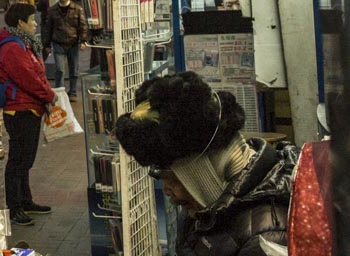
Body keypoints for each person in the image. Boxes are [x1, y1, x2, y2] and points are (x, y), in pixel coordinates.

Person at [115, 70, 298, 256]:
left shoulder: (267, 237)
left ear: (210, 164)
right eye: (160, 176)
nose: (167, 189)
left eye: (173, 177)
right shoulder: (204, 209)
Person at [0, 2, 57, 227]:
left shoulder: (24, 43)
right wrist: (49, 95)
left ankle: (25, 200)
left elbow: (36, 73)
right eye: (32, 20)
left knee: (26, 159)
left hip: (30, 107)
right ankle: (15, 207)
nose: (35, 24)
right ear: (21, 23)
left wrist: (45, 94)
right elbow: (28, 78)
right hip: (19, 109)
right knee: (18, 160)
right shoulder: (12, 47)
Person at [41, 0, 89, 98]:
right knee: (60, 70)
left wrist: (83, 40)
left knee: (74, 70)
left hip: (73, 43)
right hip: (58, 43)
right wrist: (46, 45)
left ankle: (72, 92)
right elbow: (47, 28)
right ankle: (60, 93)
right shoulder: (52, 10)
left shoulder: (77, 9)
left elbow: (83, 26)